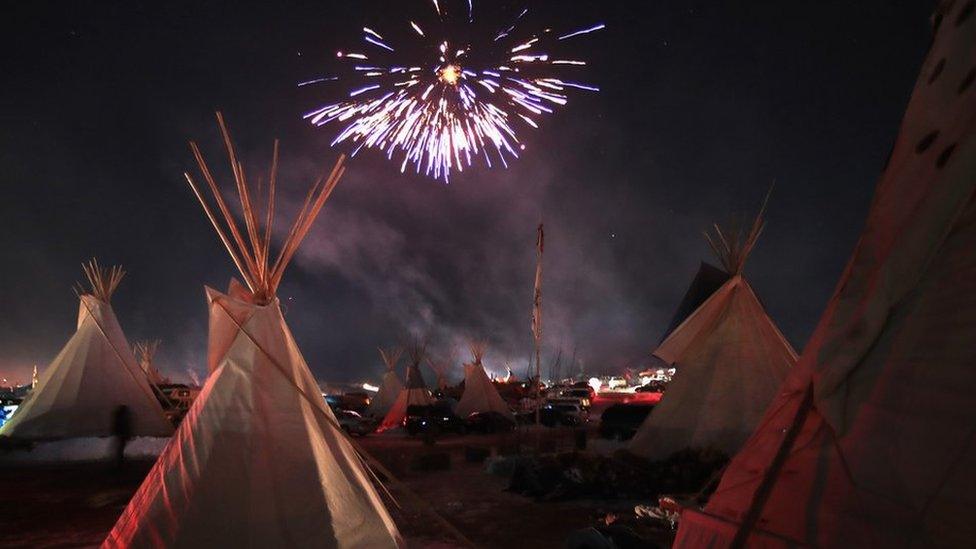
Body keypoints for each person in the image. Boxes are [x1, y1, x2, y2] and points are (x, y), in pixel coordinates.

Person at [111, 405, 132, 470]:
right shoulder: (123, 418)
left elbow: (117, 426)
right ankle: (119, 463)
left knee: (119, 449)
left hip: (120, 435)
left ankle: (119, 462)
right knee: (120, 449)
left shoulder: (119, 417)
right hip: (122, 435)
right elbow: (125, 427)